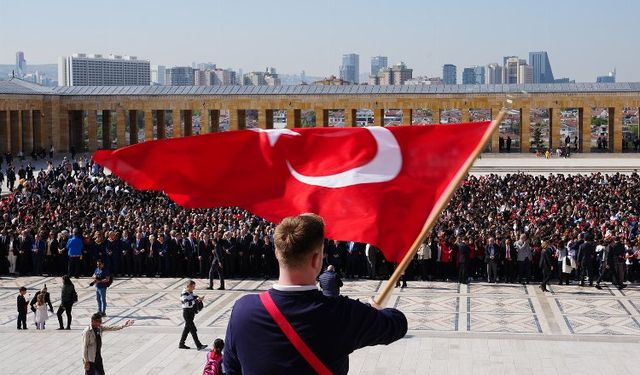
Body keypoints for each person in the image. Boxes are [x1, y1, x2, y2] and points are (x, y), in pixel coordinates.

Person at [224, 214, 407, 374]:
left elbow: (230, 369)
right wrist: (375, 311)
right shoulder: (342, 314)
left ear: (277, 253)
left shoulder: (242, 311)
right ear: (317, 258)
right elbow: (397, 324)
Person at [179, 280, 208, 350]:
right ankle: (199, 345)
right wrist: (196, 300)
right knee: (193, 330)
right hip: (187, 313)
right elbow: (187, 304)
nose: (194, 288)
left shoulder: (190, 292)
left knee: (187, 329)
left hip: (191, 312)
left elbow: (194, 296)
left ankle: (181, 344)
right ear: (188, 286)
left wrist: (199, 298)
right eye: (192, 287)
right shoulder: (183, 294)